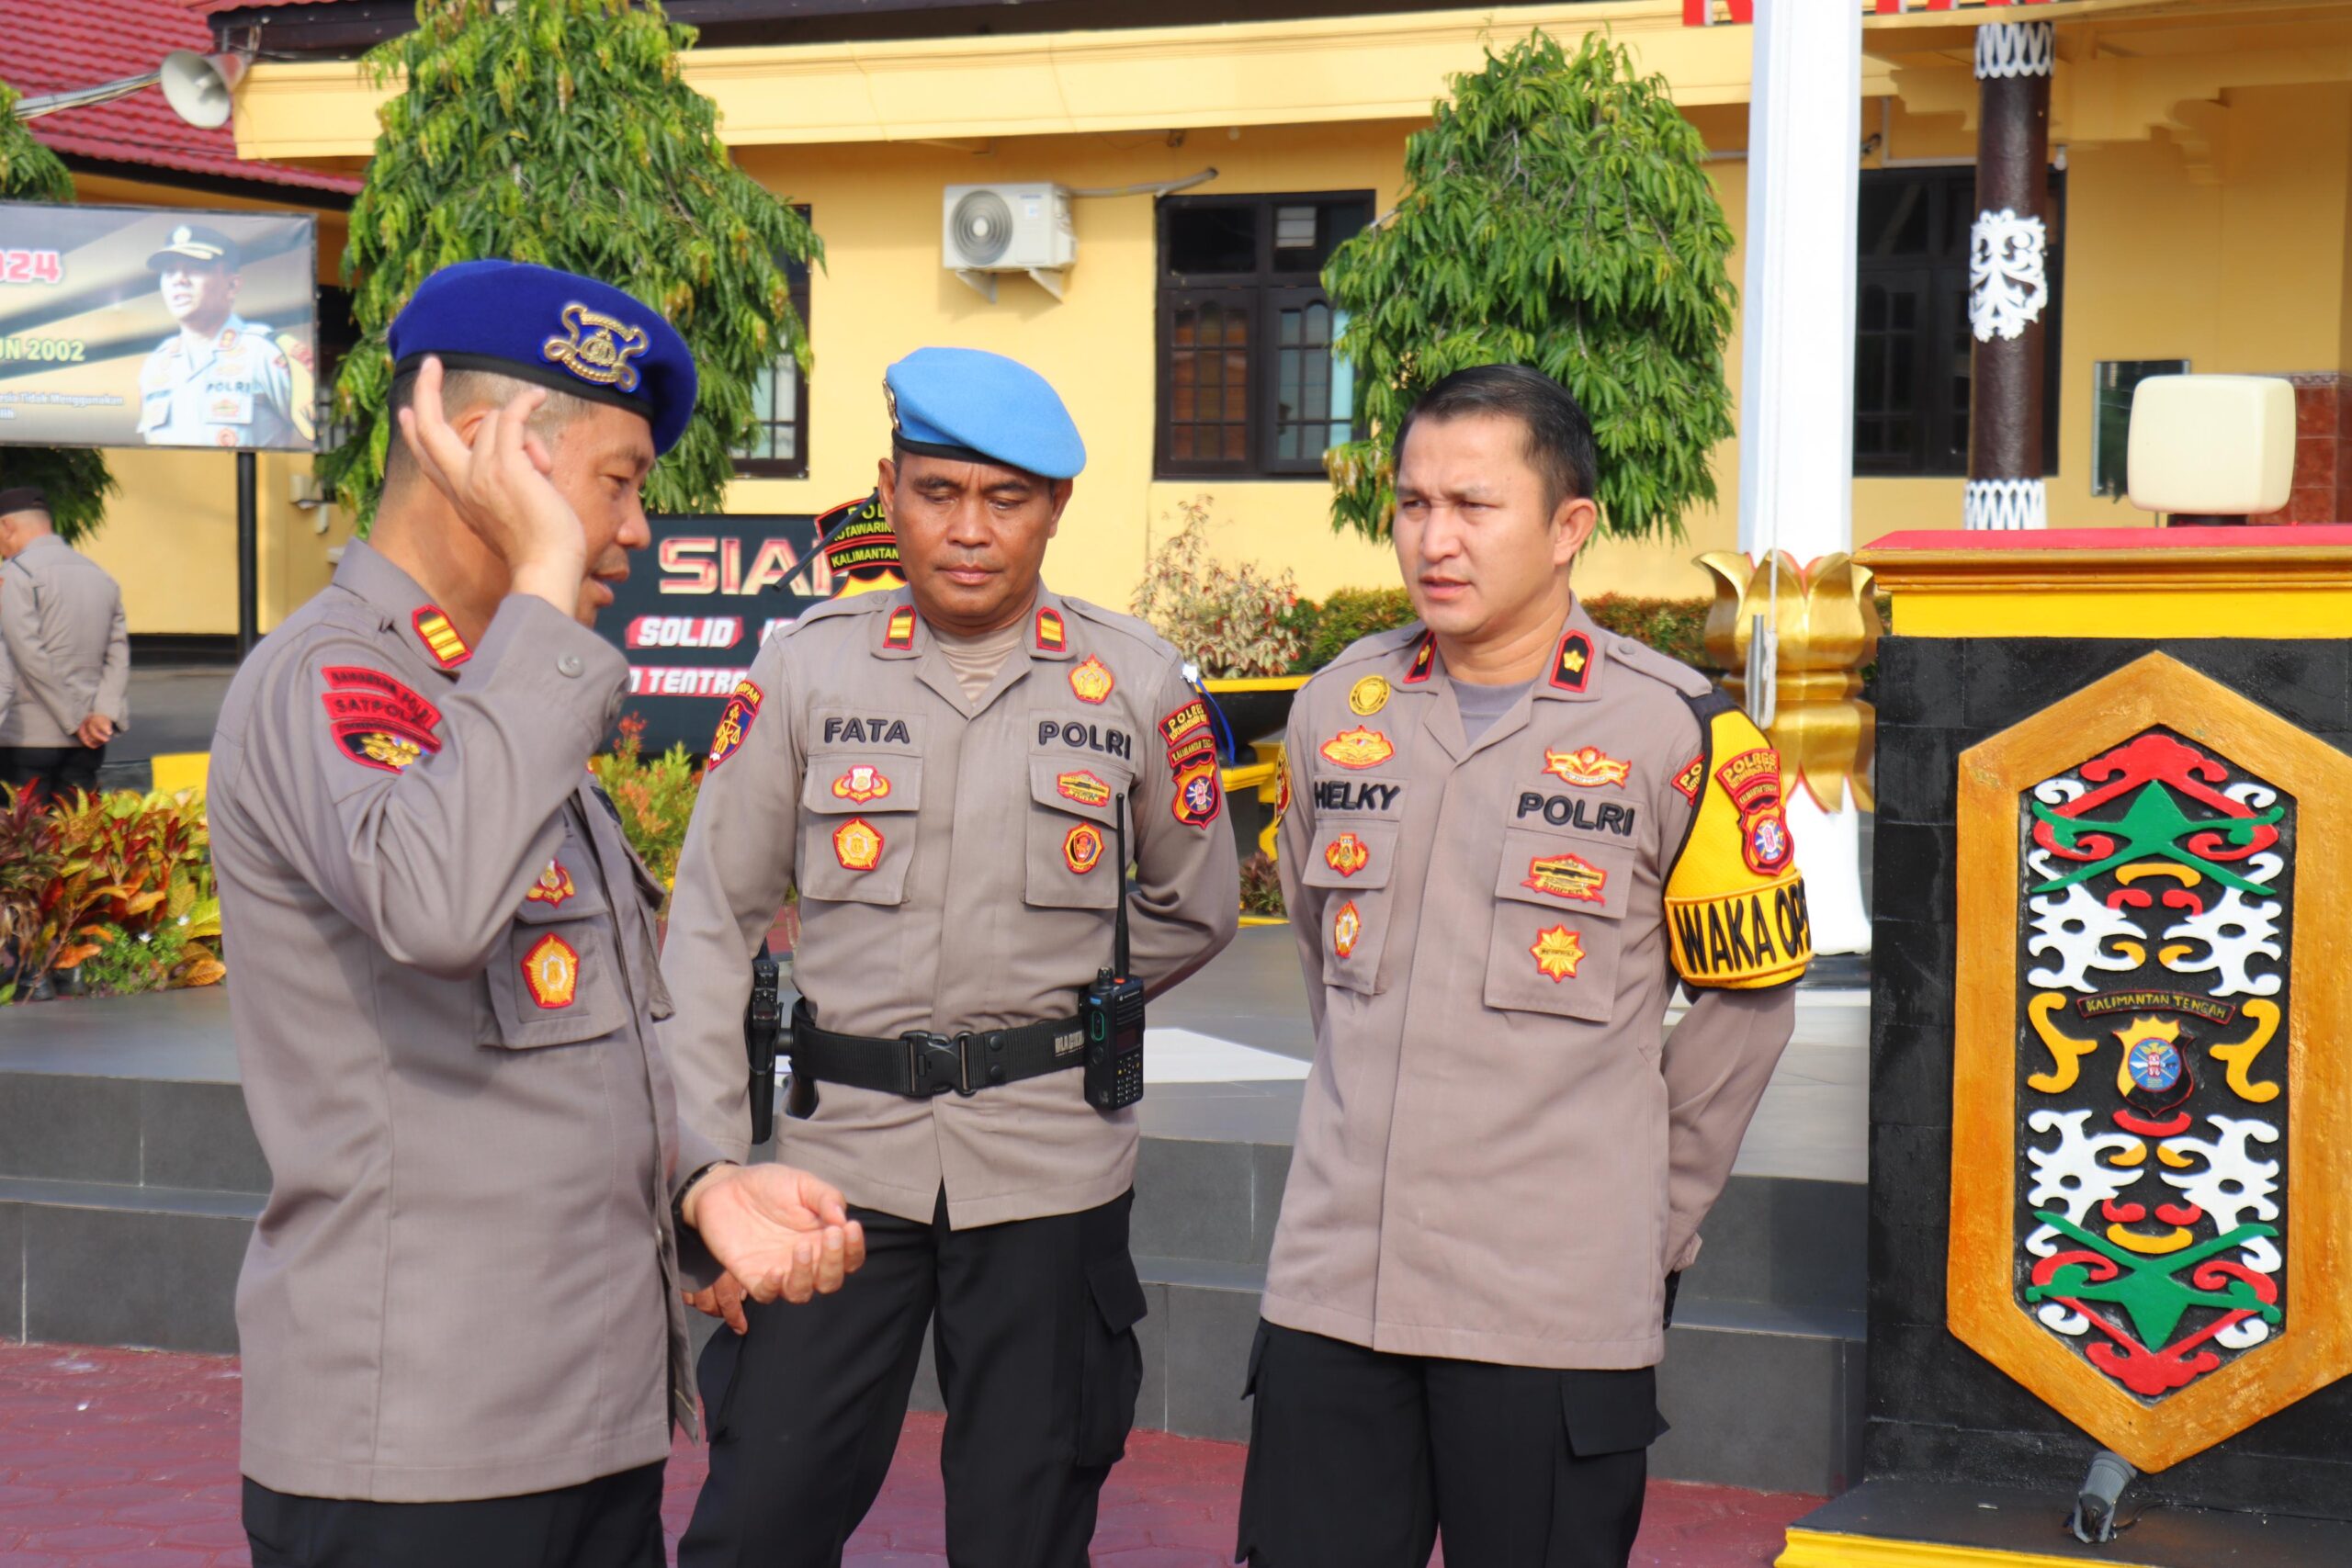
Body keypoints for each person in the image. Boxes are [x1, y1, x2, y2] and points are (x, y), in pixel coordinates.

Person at [209, 260, 865, 1568]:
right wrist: (546, 571)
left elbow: (563, 1052)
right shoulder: (334, 683)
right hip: (421, 1459)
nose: (633, 529)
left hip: (576, 1430)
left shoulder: (496, 702)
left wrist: (703, 1188)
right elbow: (439, 903)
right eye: (616, 482)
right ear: (484, 451)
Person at [661, 346, 1240, 1567]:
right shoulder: (808, 667)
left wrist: (1068, 1018)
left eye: (1007, 497)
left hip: (1049, 1168)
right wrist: (710, 1165)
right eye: (938, 492)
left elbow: (1196, 905)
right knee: (757, 1516)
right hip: (835, 1171)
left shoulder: (1132, 683)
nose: (969, 529)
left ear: (1056, 508)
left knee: (1023, 1529)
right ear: (891, 486)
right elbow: (711, 917)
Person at [1236, 365, 1812, 1568]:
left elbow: (1746, 1007)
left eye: (1474, 505)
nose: (1433, 540)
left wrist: (1651, 1215)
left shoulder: (1682, 732)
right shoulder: (1341, 703)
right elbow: (1319, 948)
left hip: (1552, 1303)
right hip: (1337, 1285)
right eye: (1410, 503)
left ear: (1568, 527)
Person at [0, 486, 129, 798]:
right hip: (88, 743)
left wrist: (74, 720)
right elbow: (118, 653)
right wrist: (102, 714)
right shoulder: (100, 575)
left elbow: (28, 655)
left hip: (25, 740)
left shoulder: (15, 575)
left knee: (24, 842)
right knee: (76, 839)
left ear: (6, 526)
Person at [136, 223, 314, 449]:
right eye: (170, 272)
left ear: (232, 285)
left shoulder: (267, 353)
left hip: (250, 483)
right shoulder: (155, 366)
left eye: (195, 268)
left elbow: (314, 439)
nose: (179, 279)